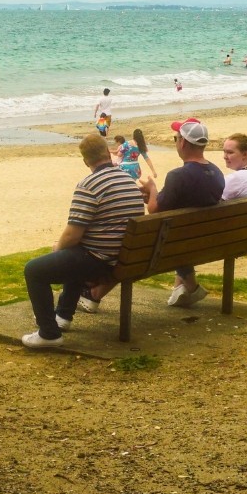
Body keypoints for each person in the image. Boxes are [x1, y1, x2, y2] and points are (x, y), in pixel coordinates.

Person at [18, 134, 148, 349]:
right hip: (124, 255)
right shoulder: (127, 180)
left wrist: (57, 249)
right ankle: (62, 317)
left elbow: (73, 234)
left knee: (34, 270)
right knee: (76, 253)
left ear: (86, 161)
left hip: (101, 259)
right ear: (108, 153)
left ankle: (49, 334)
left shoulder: (89, 185)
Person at [151, 119, 225, 306]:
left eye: (176, 138)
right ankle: (180, 288)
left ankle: (191, 286)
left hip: (177, 242)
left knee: (172, 234)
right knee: (180, 232)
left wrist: (152, 190)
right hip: (209, 240)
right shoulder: (217, 173)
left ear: (182, 142)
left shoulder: (177, 176)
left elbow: (154, 211)